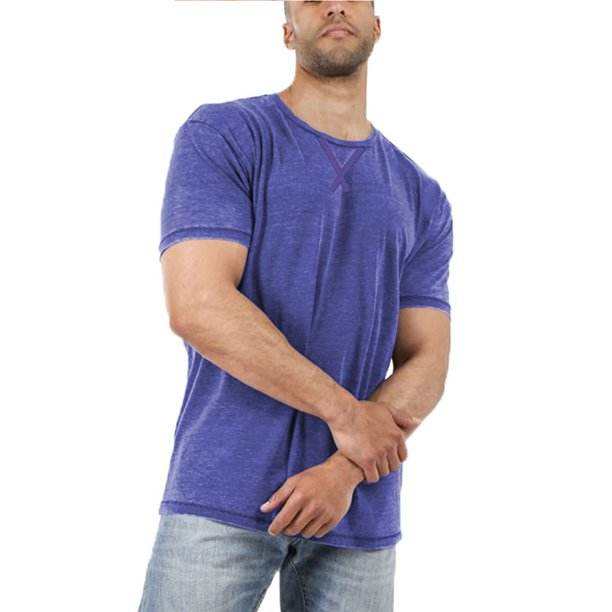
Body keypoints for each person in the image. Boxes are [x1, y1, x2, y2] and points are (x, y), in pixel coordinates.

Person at [138, 1, 453, 610]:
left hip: (359, 506)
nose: (334, 4)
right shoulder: (225, 135)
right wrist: (346, 414)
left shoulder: (422, 196)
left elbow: (428, 360)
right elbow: (197, 304)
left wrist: (344, 470)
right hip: (224, 490)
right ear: (287, 31)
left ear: (377, 25)